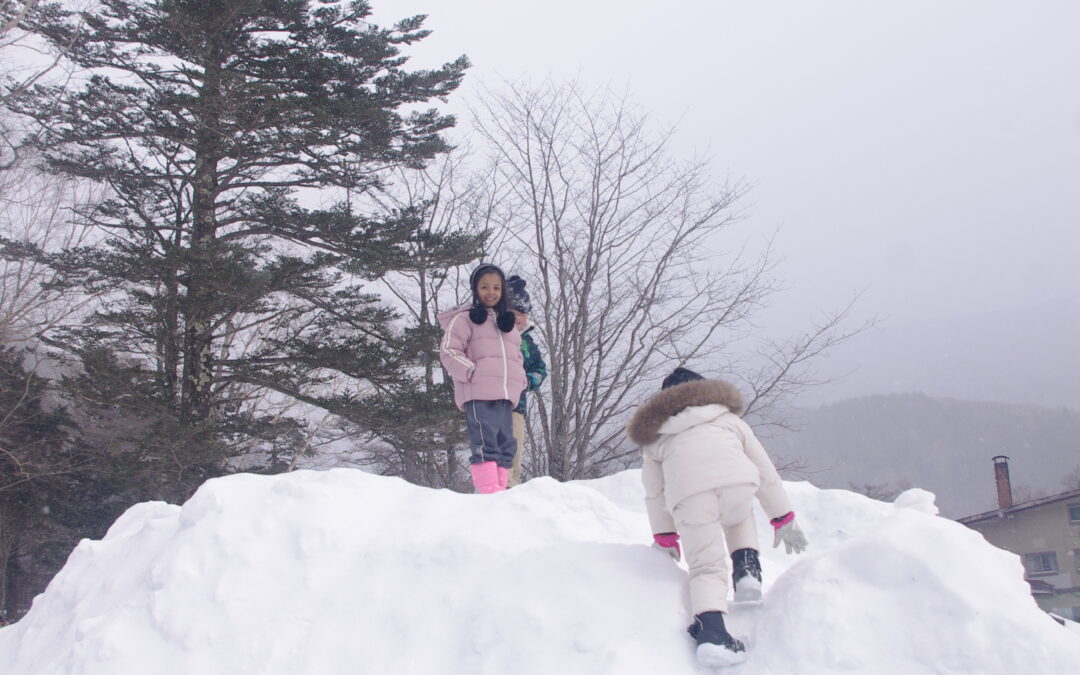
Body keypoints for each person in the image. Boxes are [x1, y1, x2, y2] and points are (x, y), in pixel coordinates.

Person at [625, 366, 809, 667]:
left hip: (690, 498)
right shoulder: (729, 419)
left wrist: (665, 536)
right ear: (704, 390)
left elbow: (654, 492)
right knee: (739, 514)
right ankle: (746, 568)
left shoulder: (657, 436)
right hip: (738, 485)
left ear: (664, 400)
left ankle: (712, 632)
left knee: (706, 567)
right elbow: (765, 471)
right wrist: (782, 517)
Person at [438, 263, 527, 494]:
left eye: (496, 288)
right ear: (476, 289)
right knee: (486, 445)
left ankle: (501, 492)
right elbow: (448, 351)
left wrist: (520, 380)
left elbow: (517, 356)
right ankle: (488, 494)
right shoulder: (465, 319)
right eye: (485, 287)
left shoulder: (507, 324)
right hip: (478, 393)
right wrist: (471, 371)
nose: (491, 292)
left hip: (506, 395)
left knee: (507, 446)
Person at [504, 275, 548, 487]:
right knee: (492, 451)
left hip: (516, 406)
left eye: (523, 313)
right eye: (514, 313)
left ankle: (510, 487)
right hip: (490, 403)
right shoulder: (494, 335)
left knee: (514, 449)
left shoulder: (527, 342)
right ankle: (491, 490)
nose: (519, 319)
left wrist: (527, 381)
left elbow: (540, 368)